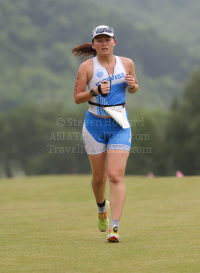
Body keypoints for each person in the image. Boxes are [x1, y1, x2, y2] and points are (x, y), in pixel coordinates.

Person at [72, 25, 139, 242]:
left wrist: (133, 85)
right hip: (94, 126)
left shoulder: (127, 63)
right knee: (99, 177)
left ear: (114, 42)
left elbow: (134, 87)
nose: (103, 43)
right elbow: (77, 98)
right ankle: (102, 209)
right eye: (99, 40)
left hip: (120, 124)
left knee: (115, 176)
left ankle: (115, 228)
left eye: (107, 39)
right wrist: (95, 91)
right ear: (93, 44)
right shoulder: (86, 67)